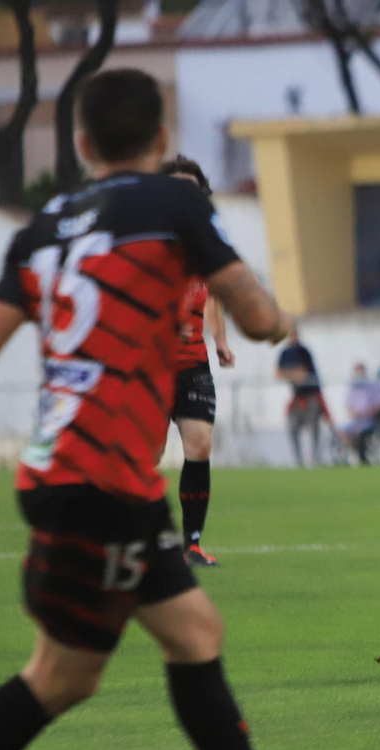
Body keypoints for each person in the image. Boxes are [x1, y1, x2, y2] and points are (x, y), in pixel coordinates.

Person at [0, 69, 373, 750]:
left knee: (190, 632)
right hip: (97, 478)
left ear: (81, 144)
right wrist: (279, 319)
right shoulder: (174, 207)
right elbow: (250, 313)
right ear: (159, 136)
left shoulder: (43, 228)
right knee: (63, 675)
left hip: (75, 470)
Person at [161, 155, 235, 567]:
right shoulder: (147, 241)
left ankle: (192, 543)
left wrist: (220, 341)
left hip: (192, 362)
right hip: (151, 365)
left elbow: (217, 291)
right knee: (148, 455)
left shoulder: (205, 240)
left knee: (200, 445)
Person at [277, 331, 330, 467]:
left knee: (314, 429)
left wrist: (289, 374)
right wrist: (294, 374)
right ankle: (298, 461)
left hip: (311, 398)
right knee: (292, 427)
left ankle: (314, 461)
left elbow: (303, 375)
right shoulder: (284, 353)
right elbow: (278, 374)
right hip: (296, 399)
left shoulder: (303, 351)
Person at [343, 362, 380, 465]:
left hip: (370, 421)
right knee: (343, 432)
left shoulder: (373, 386)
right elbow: (349, 406)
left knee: (360, 433)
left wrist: (368, 412)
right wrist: (354, 413)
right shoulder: (352, 387)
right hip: (356, 421)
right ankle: (346, 458)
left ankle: (362, 456)